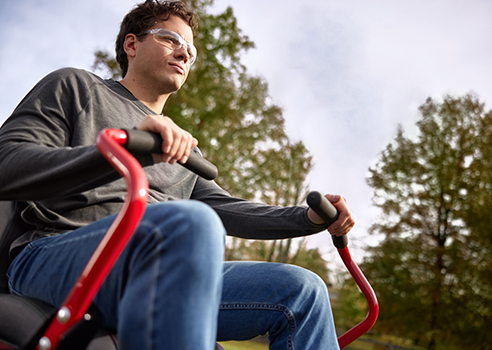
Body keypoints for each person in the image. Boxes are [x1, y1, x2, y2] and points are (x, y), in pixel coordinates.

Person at [0, 1, 355, 349]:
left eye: (191, 50)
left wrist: (307, 219)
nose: (184, 54)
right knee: (189, 223)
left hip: (168, 260)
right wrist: (125, 152)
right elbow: (8, 163)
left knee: (302, 289)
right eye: (171, 39)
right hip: (57, 253)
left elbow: (225, 207)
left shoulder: (182, 147)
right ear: (132, 44)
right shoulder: (76, 88)